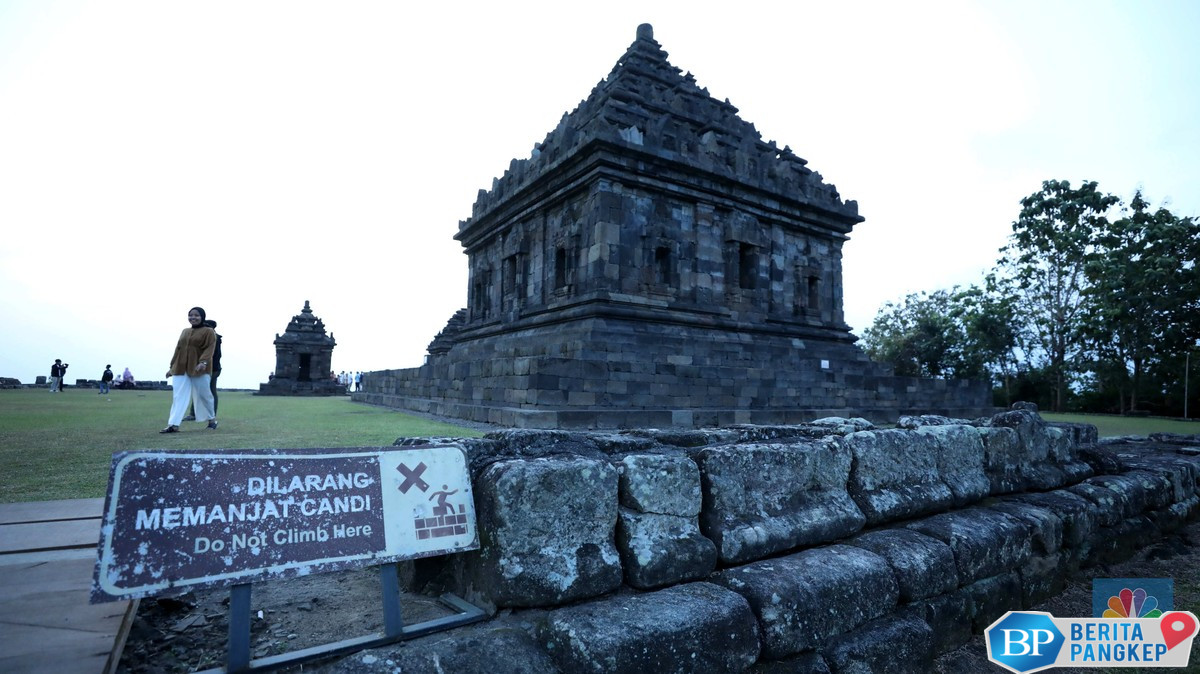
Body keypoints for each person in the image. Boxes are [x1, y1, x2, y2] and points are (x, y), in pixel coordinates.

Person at [161, 306, 218, 433]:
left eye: (196, 315)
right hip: (180, 368)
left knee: (204, 395)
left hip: (200, 369)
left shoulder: (208, 331)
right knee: (178, 396)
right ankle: (173, 425)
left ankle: (212, 420)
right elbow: (178, 349)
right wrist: (172, 367)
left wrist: (203, 362)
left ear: (202, 317)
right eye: (191, 315)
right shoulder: (185, 331)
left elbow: (210, 348)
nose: (193, 317)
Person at [184, 319, 222, 419]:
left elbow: (213, 355)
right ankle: (194, 414)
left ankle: (210, 415)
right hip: (205, 368)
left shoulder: (214, 338)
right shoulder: (209, 336)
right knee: (198, 390)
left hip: (212, 369)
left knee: (210, 391)